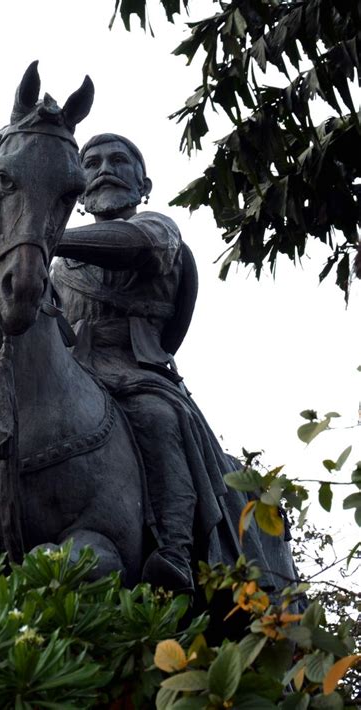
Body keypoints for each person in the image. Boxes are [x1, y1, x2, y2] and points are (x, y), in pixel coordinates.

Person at [52, 133, 295, 593]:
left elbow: (134, 247)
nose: (104, 167)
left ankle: (175, 551)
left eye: (119, 159)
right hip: (69, 373)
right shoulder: (55, 269)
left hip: (136, 372)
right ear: (79, 191)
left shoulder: (157, 228)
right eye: (92, 162)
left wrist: (45, 236)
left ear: (144, 186)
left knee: (158, 419)